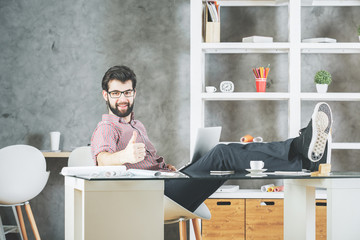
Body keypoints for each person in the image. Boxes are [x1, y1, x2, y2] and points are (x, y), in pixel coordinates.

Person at [91, 65, 333, 212]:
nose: (122, 98)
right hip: (153, 196)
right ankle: (300, 149)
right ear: (105, 95)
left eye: (127, 92)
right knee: (222, 154)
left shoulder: (136, 124)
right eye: (115, 93)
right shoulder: (106, 128)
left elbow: (148, 164)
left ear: (134, 93)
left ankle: (303, 161)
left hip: (167, 183)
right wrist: (125, 156)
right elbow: (101, 161)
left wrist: (167, 169)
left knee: (224, 160)